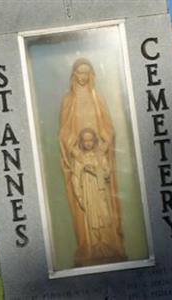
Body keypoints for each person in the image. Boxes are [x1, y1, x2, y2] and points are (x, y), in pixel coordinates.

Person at [59, 58, 126, 266]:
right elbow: (63, 133)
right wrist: (76, 152)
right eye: (79, 72)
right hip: (80, 163)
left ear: (91, 75)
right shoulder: (68, 101)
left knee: (104, 204)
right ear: (74, 75)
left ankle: (109, 245)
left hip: (99, 161)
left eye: (86, 73)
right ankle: (89, 246)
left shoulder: (98, 99)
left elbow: (108, 128)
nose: (83, 77)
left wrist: (103, 147)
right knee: (85, 206)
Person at [70, 128, 125, 265]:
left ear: (94, 140)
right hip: (88, 193)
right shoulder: (79, 159)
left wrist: (95, 171)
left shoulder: (100, 156)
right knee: (92, 220)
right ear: (81, 142)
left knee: (104, 217)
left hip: (100, 192)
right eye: (85, 140)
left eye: (90, 140)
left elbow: (107, 173)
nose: (88, 143)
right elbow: (75, 178)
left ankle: (108, 246)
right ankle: (96, 248)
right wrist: (80, 197)